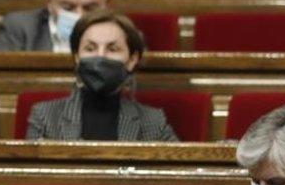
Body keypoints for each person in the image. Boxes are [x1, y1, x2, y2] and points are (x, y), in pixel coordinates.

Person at [26, 9, 177, 141]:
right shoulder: (45, 115)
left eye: (112, 49)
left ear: (132, 59)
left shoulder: (152, 121)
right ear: (77, 57)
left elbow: (178, 170)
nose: (100, 57)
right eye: (90, 48)